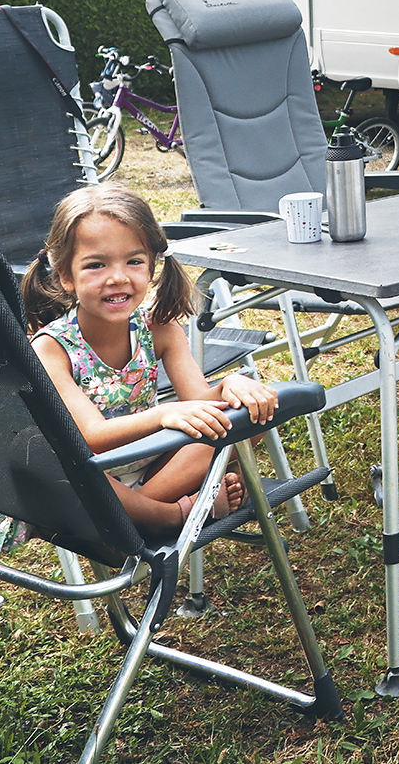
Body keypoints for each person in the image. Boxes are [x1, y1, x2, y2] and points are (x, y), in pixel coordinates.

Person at [14, 184, 280, 535]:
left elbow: (202, 403)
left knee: (246, 416)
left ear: (152, 266)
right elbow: (91, 437)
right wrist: (162, 414)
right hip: (94, 478)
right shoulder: (51, 348)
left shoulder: (159, 328)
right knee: (61, 467)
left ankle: (138, 513)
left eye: (134, 261)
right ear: (66, 276)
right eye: (96, 265)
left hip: (155, 463)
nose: (118, 277)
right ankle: (174, 515)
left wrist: (231, 385)